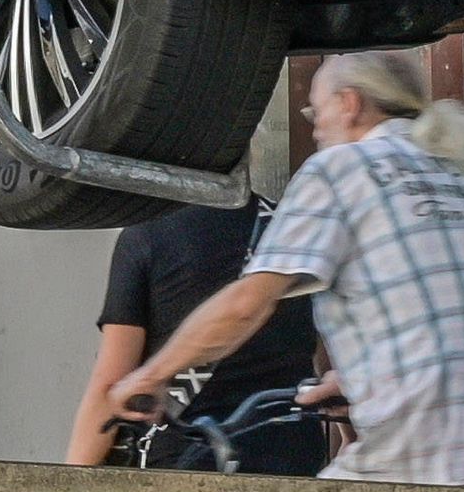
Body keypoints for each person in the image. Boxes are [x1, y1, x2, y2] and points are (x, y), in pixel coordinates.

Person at [106, 48, 464, 485]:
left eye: (316, 112)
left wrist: (149, 377)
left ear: (350, 104)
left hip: (420, 459)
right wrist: (358, 381)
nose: (314, 130)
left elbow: (247, 305)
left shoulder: (342, 168)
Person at [64, 179, 319, 463]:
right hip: (294, 454)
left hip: (190, 461)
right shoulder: (289, 230)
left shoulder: (147, 235)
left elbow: (109, 383)